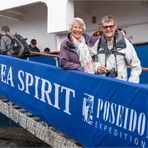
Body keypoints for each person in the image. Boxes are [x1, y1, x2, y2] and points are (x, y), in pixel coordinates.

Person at [91, 15, 141, 83]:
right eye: (105, 27)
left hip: (120, 86)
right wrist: (97, 67)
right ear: (102, 29)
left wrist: (131, 85)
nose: (108, 29)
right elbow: (90, 60)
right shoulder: (98, 43)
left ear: (115, 27)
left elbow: (136, 66)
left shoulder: (125, 43)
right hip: (103, 84)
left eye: (110, 26)